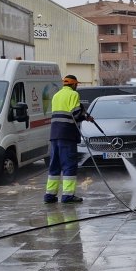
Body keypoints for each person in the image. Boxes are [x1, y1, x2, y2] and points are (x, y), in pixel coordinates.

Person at [45, 74, 90, 203]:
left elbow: (64, 112)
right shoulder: (74, 95)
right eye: (77, 84)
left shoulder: (56, 95)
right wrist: (84, 115)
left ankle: (49, 196)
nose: (77, 86)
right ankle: (68, 196)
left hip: (55, 135)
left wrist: (84, 115)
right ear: (74, 84)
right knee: (69, 164)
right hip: (67, 135)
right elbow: (75, 114)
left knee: (55, 165)